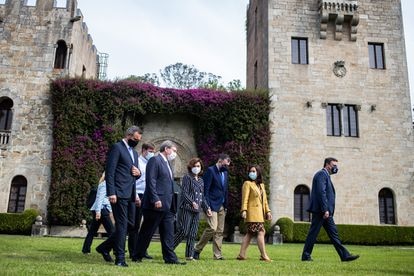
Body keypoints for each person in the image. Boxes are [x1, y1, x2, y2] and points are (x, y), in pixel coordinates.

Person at [96, 125, 142, 267]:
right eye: (135, 139)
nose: (136, 141)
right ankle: (120, 259)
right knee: (122, 226)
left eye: (138, 140)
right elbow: (110, 172)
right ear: (128, 135)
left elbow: (133, 174)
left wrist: (138, 173)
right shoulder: (117, 148)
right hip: (118, 194)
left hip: (130, 194)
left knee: (130, 225)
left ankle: (104, 247)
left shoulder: (134, 153)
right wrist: (111, 192)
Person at [134, 140, 186, 265]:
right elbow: (150, 181)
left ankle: (170, 258)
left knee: (168, 232)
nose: (174, 153)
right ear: (166, 149)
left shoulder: (167, 162)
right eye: (174, 150)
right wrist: (155, 198)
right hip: (155, 204)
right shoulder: (155, 160)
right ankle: (137, 255)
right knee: (148, 231)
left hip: (167, 204)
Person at [301, 157, 360, 262]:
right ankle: (306, 256)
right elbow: (321, 193)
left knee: (334, 234)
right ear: (327, 165)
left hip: (326, 212)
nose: (336, 168)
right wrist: (325, 209)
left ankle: (344, 256)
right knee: (313, 234)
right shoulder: (321, 175)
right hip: (321, 211)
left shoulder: (326, 176)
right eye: (334, 166)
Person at [173, 158, 212, 261]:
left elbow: (202, 197)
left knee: (193, 233)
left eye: (198, 166)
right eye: (194, 166)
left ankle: (189, 255)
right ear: (191, 167)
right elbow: (184, 193)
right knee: (183, 231)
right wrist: (192, 202)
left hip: (196, 211)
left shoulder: (201, 181)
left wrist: (207, 208)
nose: (196, 168)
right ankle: (169, 249)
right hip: (186, 209)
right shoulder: (187, 178)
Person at [193, 154, 231, 260]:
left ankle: (217, 255)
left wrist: (226, 205)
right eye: (226, 163)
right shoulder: (210, 171)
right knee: (212, 228)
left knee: (219, 231)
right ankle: (196, 249)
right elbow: (206, 191)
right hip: (212, 205)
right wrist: (207, 206)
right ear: (220, 161)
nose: (227, 166)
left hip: (222, 206)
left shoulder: (225, 173)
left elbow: (225, 190)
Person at [237, 165, 272, 262]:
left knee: (250, 233)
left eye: (254, 171)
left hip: (260, 214)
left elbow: (264, 201)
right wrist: (244, 210)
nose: (251, 173)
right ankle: (263, 255)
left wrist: (268, 211)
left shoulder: (262, 185)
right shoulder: (247, 183)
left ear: (258, 173)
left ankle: (241, 254)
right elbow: (245, 198)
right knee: (261, 231)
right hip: (252, 214)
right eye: (250, 171)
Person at [128, 142, 155, 261]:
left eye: (153, 151)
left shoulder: (151, 163)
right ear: (143, 150)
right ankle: (133, 251)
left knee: (147, 225)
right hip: (138, 194)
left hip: (148, 195)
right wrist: (135, 196)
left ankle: (142, 250)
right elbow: (132, 180)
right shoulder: (137, 162)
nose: (152, 153)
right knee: (135, 225)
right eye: (150, 151)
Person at [82, 172, 114, 255]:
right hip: (102, 210)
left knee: (93, 230)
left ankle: (86, 249)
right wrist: (98, 212)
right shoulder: (105, 185)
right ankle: (116, 249)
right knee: (112, 231)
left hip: (101, 209)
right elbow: (100, 199)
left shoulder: (105, 184)